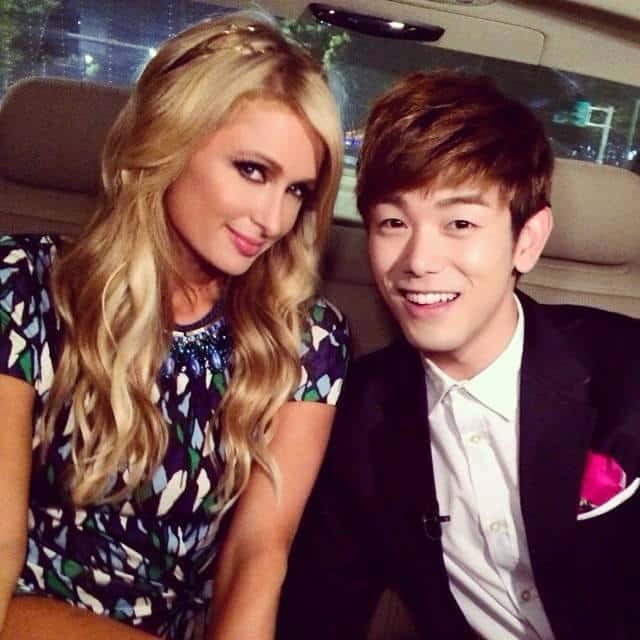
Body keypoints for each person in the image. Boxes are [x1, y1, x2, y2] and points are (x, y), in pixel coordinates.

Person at [0, 12, 349, 640]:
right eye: (252, 170)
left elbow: (258, 557)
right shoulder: (23, 284)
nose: (273, 220)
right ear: (170, 142)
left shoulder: (306, 339)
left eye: (298, 190)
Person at [277, 70, 640, 640]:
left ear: (527, 240)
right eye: (393, 223)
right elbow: (321, 607)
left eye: (460, 222)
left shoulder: (627, 370)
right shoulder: (357, 415)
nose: (419, 260)